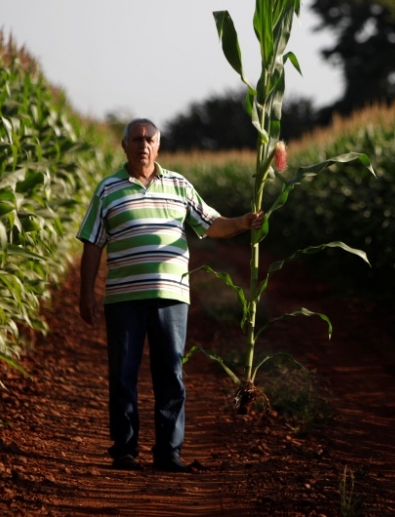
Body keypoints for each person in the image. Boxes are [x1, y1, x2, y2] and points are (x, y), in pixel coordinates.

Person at [77, 118, 262, 473]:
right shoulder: (107, 189)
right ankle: (125, 450)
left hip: (171, 295)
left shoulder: (179, 185)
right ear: (124, 145)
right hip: (123, 297)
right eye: (136, 139)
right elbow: (92, 243)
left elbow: (210, 223)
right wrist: (86, 294)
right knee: (123, 374)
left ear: (158, 146)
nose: (143, 145)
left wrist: (241, 222)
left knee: (171, 373)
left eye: (150, 139)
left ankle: (168, 453)